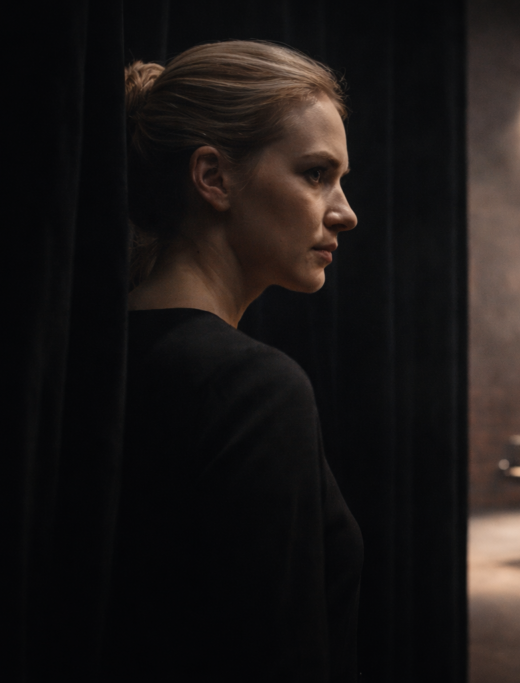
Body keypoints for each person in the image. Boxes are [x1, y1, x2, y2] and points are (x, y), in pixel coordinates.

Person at [104, 41, 362, 682]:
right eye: (314, 174)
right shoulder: (251, 389)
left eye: (340, 180)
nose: (346, 212)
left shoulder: (93, 360)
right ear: (213, 177)